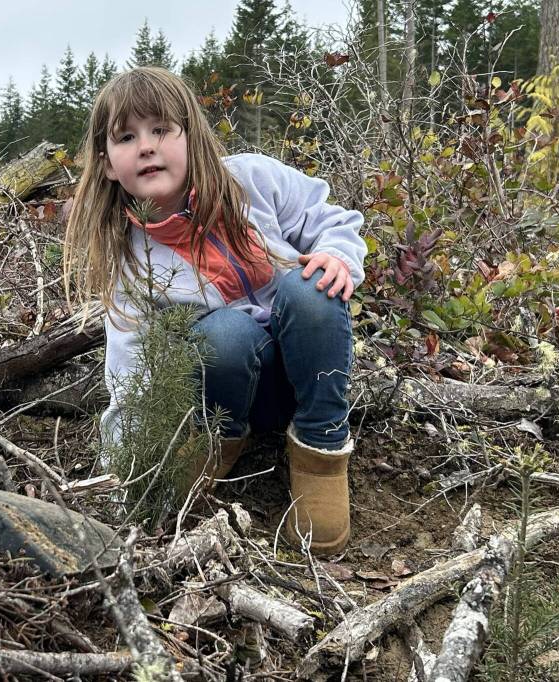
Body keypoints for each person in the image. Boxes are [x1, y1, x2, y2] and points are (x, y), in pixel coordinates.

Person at [63, 67, 366, 556]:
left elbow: (330, 218)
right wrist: (125, 475)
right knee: (222, 333)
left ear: (190, 135)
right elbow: (129, 371)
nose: (146, 146)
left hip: (314, 367)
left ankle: (322, 446)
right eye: (126, 136)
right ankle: (218, 445)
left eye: (161, 129)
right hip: (235, 399)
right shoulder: (131, 265)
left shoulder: (251, 179)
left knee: (310, 288)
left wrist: (338, 254)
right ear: (105, 164)